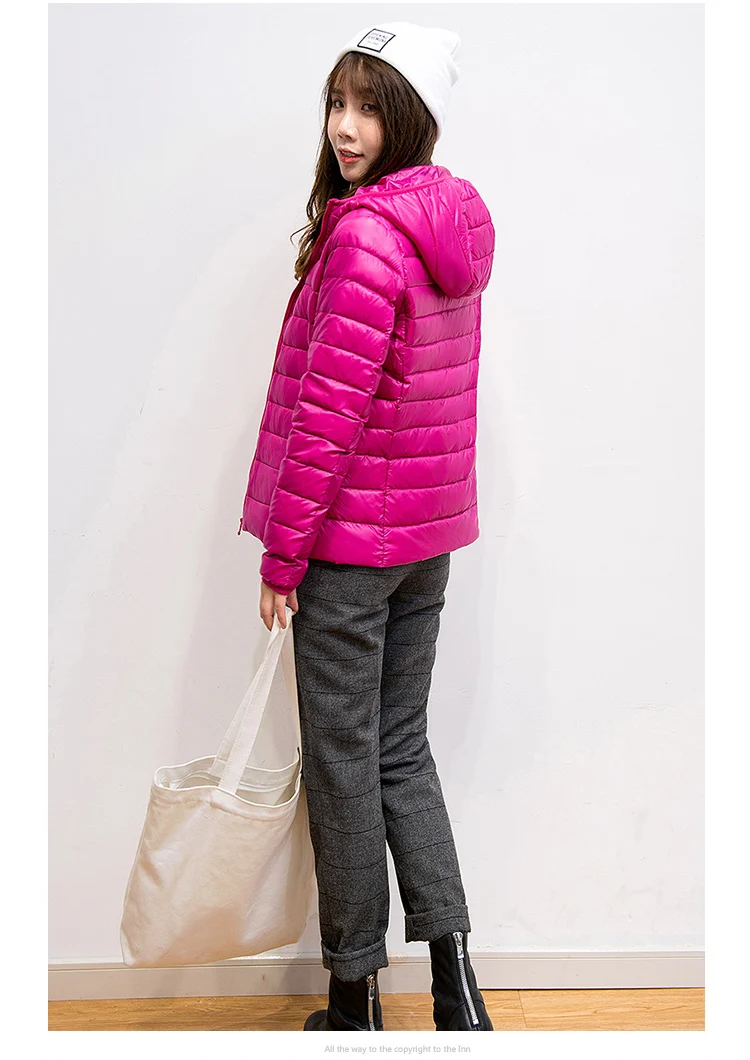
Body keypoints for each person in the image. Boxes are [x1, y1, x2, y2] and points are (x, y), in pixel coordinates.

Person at [237, 21, 496, 1032]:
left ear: (410, 119)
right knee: (400, 750)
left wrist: (284, 551)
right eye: (337, 105)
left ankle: (355, 997)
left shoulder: (366, 236)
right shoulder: (450, 226)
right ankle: (457, 989)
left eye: (368, 109)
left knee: (346, 763)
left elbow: (327, 419)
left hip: (349, 549)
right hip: (425, 541)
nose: (344, 128)